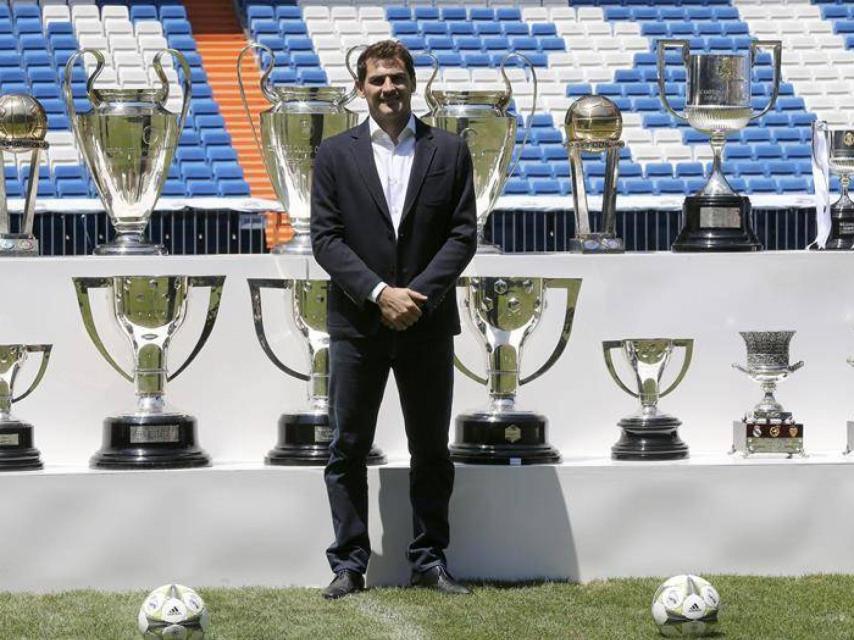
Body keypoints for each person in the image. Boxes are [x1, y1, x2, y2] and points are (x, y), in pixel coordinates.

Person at [310, 40, 477, 600]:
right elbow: (326, 240)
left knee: (430, 447)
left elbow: (462, 235)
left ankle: (430, 559)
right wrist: (380, 293)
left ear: (414, 83)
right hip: (359, 323)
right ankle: (349, 563)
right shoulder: (334, 155)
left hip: (426, 325)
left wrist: (417, 298)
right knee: (348, 446)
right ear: (361, 88)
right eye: (377, 80)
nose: (388, 89)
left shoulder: (450, 151)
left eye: (397, 78)